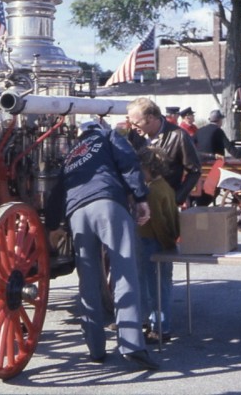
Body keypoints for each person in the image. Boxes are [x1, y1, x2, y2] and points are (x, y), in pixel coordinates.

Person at [45, 120, 159, 370]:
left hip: (77, 214)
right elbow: (128, 162)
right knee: (124, 272)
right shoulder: (109, 137)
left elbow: (57, 191)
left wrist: (52, 226)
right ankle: (132, 347)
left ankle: (95, 348)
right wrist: (140, 197)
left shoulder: (72, 154)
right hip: (107, 203)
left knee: (88, 279)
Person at [135, 146, 179, 344]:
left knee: (155, 289)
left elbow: (159, 222)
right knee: (162, 286)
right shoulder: (165, 186)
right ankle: (159, 325)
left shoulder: (152, 191)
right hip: (162, 242)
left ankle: (160, 329)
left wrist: (166, 244)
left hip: (154, 243)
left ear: (150, 168)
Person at [126, 97, 202, 206]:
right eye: (131, 123)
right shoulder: (134, 134)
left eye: (136, 123)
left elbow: (194, 171)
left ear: (151, 117)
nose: (133, 127)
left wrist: (176, 199)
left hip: (164, 202)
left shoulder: (179, 136)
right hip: (140, 201)